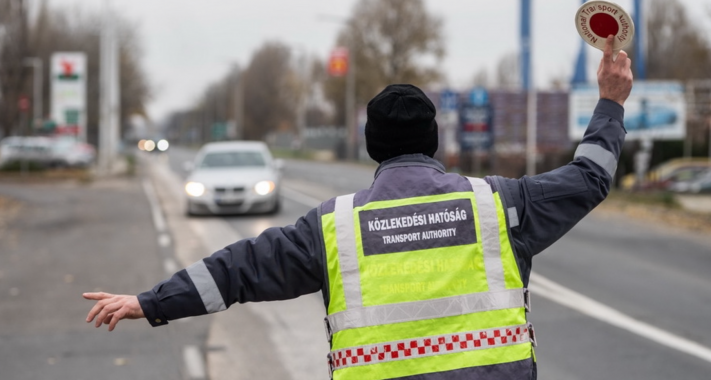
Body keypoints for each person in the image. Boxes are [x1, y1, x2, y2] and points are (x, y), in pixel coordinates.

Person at [85, 35, 632, 380]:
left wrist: (150, 302)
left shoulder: (333, 228)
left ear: (372, 145)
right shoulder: (499, 206)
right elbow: (589, 177)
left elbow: (238, 270)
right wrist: (609, 101)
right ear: (433, 140)